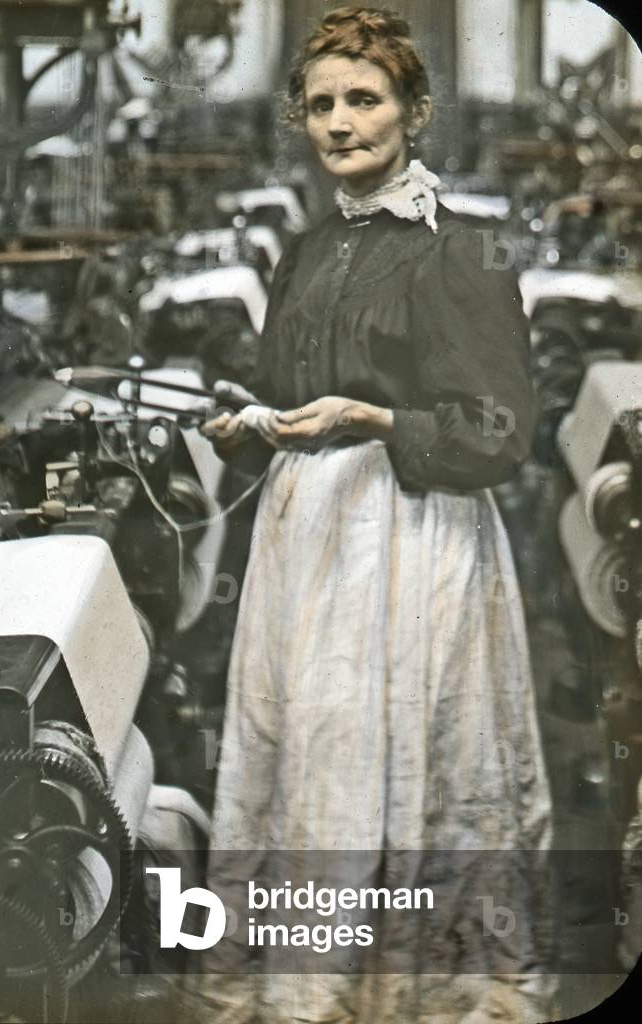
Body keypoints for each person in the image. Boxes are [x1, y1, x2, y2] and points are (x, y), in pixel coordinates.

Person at [191, 7, 555, 1022]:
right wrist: (251, 420)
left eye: (364, 99)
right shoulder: (306, 254)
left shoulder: (461, 251)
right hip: (306, 546)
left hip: (409, 542)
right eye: (320, 105)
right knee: (310, 758)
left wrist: (373, 417)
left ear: (415, 111)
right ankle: (312, 992)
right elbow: (292, 392)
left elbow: (501, 433)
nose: (340, 123)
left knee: (396, 763)